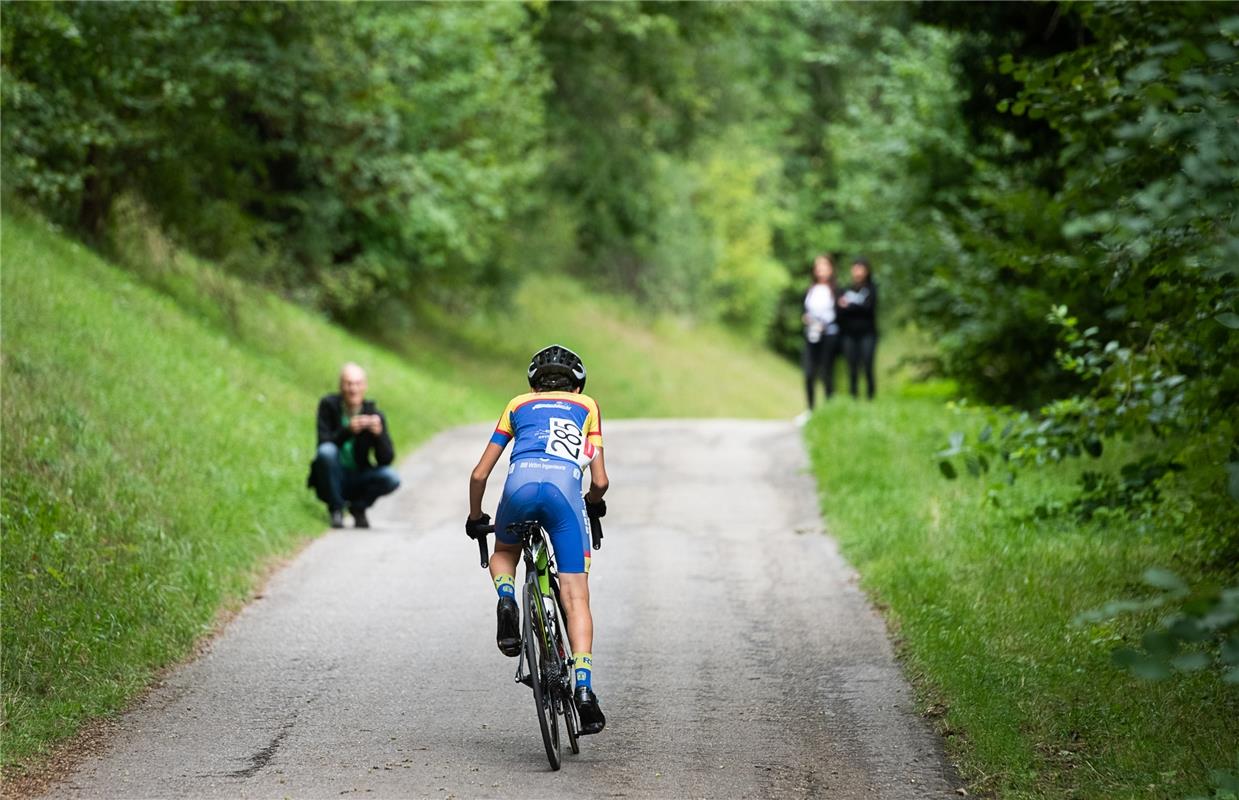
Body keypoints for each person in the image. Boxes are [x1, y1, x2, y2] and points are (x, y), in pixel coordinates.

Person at [465, 344, 610, 735]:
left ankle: (508, 599)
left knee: (505, 551)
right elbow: (599, 482)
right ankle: (583, 689)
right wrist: (593, 504)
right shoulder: (587, 407)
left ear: (534, 384)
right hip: (565, 497)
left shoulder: (517, 406)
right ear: (576, 386)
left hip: (519, 489)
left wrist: (476, 517)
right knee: (576, 597)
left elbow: (479, 474)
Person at [306, 362, 400, 529]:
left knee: (392, 477)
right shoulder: (329, 406)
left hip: (359, 475)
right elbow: (322, 445)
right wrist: (347, 430)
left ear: (364, 386)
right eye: (348, 384)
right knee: (326, 452)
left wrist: (380, 436)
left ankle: (358, 508)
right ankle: (336, 509)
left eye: (357, 384)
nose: (353, 389)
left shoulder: (374, 414)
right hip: (333, 475)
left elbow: (386, 459)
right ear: (341, 386)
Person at [801, 254, 840, 411]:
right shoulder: (810, 289)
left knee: (827, 373)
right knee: (809, 372)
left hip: (829, 335)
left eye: (824, 266)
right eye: (818, 266)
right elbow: (804, 311)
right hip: (812, 334)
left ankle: (830, 410)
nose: (821, 269)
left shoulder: (836, 290)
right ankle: (810, 409)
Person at [837, 257, 879, 399]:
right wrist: (855, 307)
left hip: (867, 333)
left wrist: (849, 306)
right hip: (849, 334)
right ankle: (853, 396)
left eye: (861, 268)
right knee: (852, 366)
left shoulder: (871, 289)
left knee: (867, 364)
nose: (858, 272)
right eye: (855, 268)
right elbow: (840, 310)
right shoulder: (846, 289)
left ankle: (870, 396)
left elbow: (869, 309)